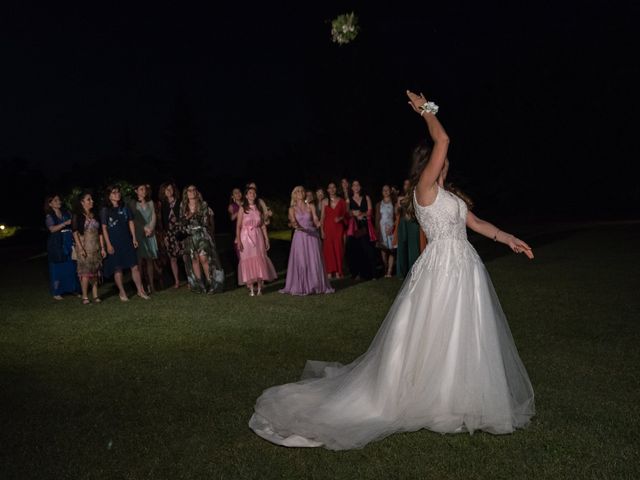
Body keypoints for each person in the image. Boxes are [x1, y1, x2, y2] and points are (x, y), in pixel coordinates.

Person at [249, 90, 535, 450]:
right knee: (436, 333)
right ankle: (433, 398)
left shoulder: (451, 196)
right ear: (428, 163)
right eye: (437, 157)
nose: (444, 157)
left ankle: (460, 398)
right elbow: (443, 137)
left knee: (464, 334)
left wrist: (508, 238)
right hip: (443, 269)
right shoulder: (425, 190)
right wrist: (425, 110)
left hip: (465, 269)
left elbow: (476, 223)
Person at [280, 186, 334, 296]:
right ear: (294, 194)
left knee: (314, 261)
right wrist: (296, 225)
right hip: (300, 236)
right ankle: (302, 286)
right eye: (298, 191)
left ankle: (315, 285)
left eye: (302, 191)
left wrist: (319, 224)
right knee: (301, 261)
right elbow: (293, 221)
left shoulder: (311, 206)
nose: (300, 193)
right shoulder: (292, 209)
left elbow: (315, 219)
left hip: (312, 236)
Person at [101, 185, 149, 301]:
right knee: (118, 269)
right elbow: (104, 228)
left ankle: (140, 290)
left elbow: (130, 222)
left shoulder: (125, 207)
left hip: (126, 240)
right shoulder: (105, 210)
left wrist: (133, 238)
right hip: (114, 242)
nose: (117, 194)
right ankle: (122, 292)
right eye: (114, 192)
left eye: (118, 192)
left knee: (134, 266)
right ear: (109, 195)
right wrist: (108, 244)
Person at [180, 185, 224, 294]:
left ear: (196, 192)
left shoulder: (203, 204)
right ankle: (200, 286)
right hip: (190, 236)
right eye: (189, 190)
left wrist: (191, 215)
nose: (191, 192)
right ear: (187, 193)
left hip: (201, 234)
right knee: (194, 259)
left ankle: (211, 283)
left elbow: (204, 222)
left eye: (194, 190)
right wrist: (187, 218)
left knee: (204, 258)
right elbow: (182, 222)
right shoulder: (183, 205)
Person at [236, 185, 277, 296]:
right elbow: (239, 225)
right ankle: (251, 287)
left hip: (258, 236)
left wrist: (267, 239)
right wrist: (238, 240)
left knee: (259, 258)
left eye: (254, 193)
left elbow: (263, 225)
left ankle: (259, 287)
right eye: (250, 193)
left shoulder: (258, 208)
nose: (252, 194)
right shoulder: (242, 208)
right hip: (246, 237)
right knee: (247, 259)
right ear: (246, 195)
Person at [72, 191, 105, 304]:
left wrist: (103, 247)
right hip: (84, 247)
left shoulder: (95, 215)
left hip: (95, 247)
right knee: (85, 272)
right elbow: (75, 232)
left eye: (91, 199)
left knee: (95, 272)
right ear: (82, 202)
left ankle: (95, 295)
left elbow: (100, 233)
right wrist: (80, 248)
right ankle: (85, 296)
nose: (92, 201)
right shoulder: (77, 216)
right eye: (88, 199)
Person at [44, 194, 79, 299]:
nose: (59, 201)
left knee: (71, 266)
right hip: (57, 243)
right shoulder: (49, 216)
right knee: (57, 268)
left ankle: (73, 289)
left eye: (59, 200)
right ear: (50, 204)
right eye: (55, 200)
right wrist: (64, 223)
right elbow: (52, 229)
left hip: (69, 241)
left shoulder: (66, 213)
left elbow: (73, 225)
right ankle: (57, 292)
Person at [345, 180, 377, 280]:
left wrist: (361, 214)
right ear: (352, 188)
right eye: (354, 185)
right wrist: (353, 213)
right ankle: (360, 273)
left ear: (360, 187)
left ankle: (373, 274)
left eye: (358, 185)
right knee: (357, 249)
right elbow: (347, 213)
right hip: (355, 227)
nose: (356, 187)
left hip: (365, 225)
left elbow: (370, 211)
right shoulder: (349, 200)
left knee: (369, 249)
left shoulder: (366, 197)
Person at [131, 184, 158, 293]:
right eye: (141, 189)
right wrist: (144, 228)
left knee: (149, 261)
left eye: (145, 189)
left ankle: (151, 285)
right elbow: (133, 219)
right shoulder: (134, 204)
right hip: (139, 234)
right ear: (136, 191)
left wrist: (151, 228)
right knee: (140, 261)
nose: (144, 191)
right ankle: (141, 287)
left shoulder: (151, 203)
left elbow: (153, 217)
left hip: (150, 234)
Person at [157, 182, 182, 289]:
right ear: (163, 192)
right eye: (166, 189)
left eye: (170, 189)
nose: (169, 191)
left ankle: (191, 279)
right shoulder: (162, 204)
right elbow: (162, 221)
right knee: (172, 258)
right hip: (169, 233)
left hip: (181, 231)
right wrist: (165, 236)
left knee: (185, 256)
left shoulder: (180, 202)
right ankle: (177, 281)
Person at [395, 178, 421, 277]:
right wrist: (398, 206)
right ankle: (402, 271)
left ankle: (414, 270)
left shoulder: (416, 196)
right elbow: (397, 211)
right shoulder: (400, 198)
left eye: (408, 184)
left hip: (413, 223)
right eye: (405, 184)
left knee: (413, 247)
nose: (407, 186)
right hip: (403, 223)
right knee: (402, 246)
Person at [320, 182, 346, 278]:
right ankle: (330, 271)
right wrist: (322, 230)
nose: (332, 189)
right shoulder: (324, 201)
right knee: (328, 250)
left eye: (333, 187)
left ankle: (339, 271)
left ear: (336, 189)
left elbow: (345, 215)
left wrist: (340, 218)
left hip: (338, 228)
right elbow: (322, 217)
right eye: (330, 188)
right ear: (327, 190)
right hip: (327, 228)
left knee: (339, 248)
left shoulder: (341, 201)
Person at [375, 185, 397, 277]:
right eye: (384, 190)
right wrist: (377, 231)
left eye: (387, 190)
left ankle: (389, 271)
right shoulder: (379, 204)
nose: (386, 191)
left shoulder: (394, 203)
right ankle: (385, 267)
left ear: (390, 191)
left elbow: (397, 217)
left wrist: (392, 227)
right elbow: (377, 218)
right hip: (382, 230)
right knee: (383, 251)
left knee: (391, 251)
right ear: (382, 192)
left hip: (391, 229)